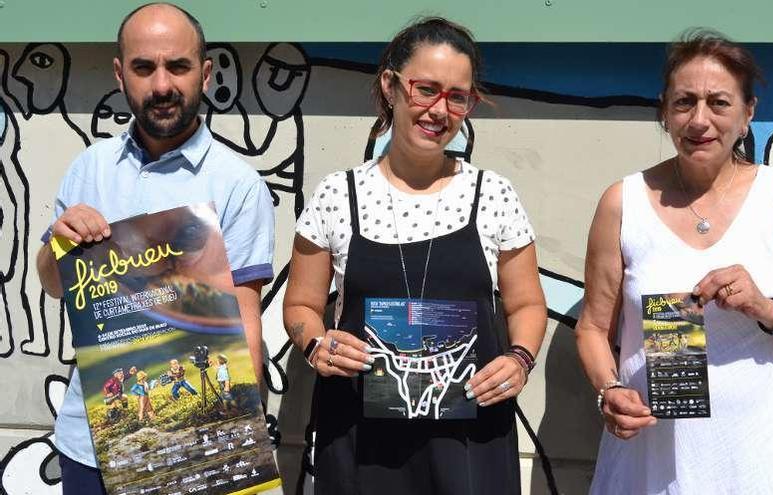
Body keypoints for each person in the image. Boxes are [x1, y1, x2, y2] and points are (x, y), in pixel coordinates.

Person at [282, 17, 546, 494]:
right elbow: (300, 305)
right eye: (425, 89)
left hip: (471, 440)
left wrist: (520, 360)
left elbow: (526, 304)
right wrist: (316, 347)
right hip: (361, 442)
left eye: (457, 96)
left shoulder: (494, 195)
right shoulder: (337, 195)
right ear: (390, 87)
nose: (438, 110)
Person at [575, 31, 773, 494]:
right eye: (684, 102)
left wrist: (768, 309)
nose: (700, 120)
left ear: (748, 113)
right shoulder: (624, 203)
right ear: (665, 110)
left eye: (718, 103)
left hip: (753, 460)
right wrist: (609, 391)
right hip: (649, 461)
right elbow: (594, 329)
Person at [34, 4, 274, 494]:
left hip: (189, 454)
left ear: (205, 75)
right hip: (89, 444)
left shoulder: (237, 184)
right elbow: (53, 283)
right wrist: (60, 241)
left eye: (178, 66)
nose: (162, 85)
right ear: (121, 75)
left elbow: (247, 322)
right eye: (144, 67)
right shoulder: (90, 168)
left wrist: (236, 442)